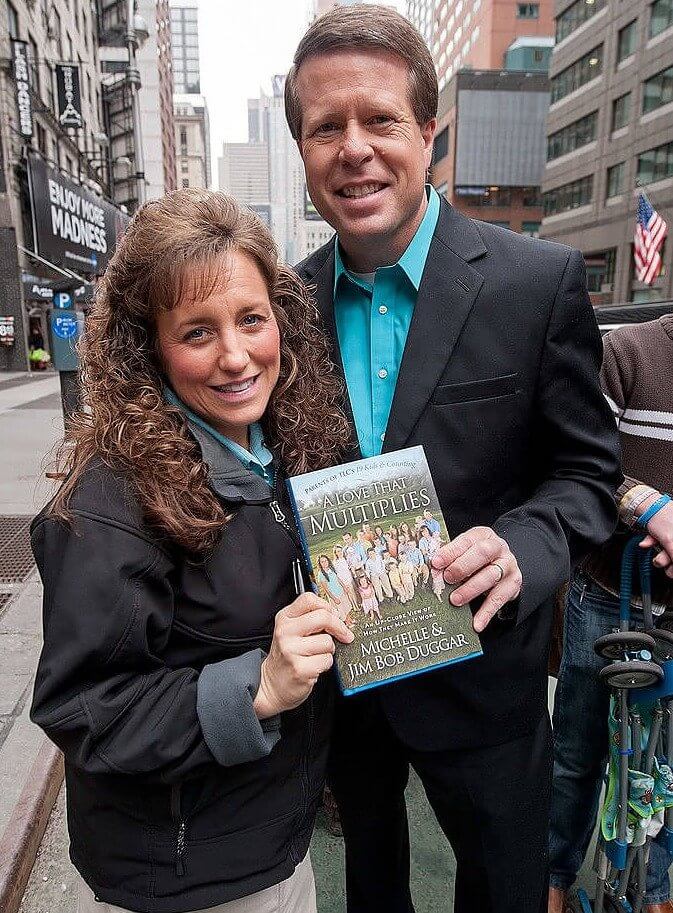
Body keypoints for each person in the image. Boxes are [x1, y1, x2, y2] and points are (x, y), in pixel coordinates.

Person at [286, 6, 621, 912]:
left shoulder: (533, 283)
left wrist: (521, 544)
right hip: (343, 688)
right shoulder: (278, 309)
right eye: (326, 127)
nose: (353, 147)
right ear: (304, 150)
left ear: (426, 133)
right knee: (369, 889)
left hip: (484, 684)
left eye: (379, 119)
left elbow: (587, 474)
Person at [29, 190, 355, 913]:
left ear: (281, 322)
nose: (236, 356)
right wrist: (257, 688)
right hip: (183, 879)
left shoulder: (286, 450)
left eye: (250, 320)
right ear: (150, 345)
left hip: (271, 843)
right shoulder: (110, 497)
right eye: (198, 332)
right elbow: (85, 707)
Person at [549, 314, 673, 913]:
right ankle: (550, 881)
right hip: (607, 594)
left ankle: (654, 895)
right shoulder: (627, 352)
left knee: (666, 769)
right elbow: (578, 457)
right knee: (577, 755)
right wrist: (649, 508)